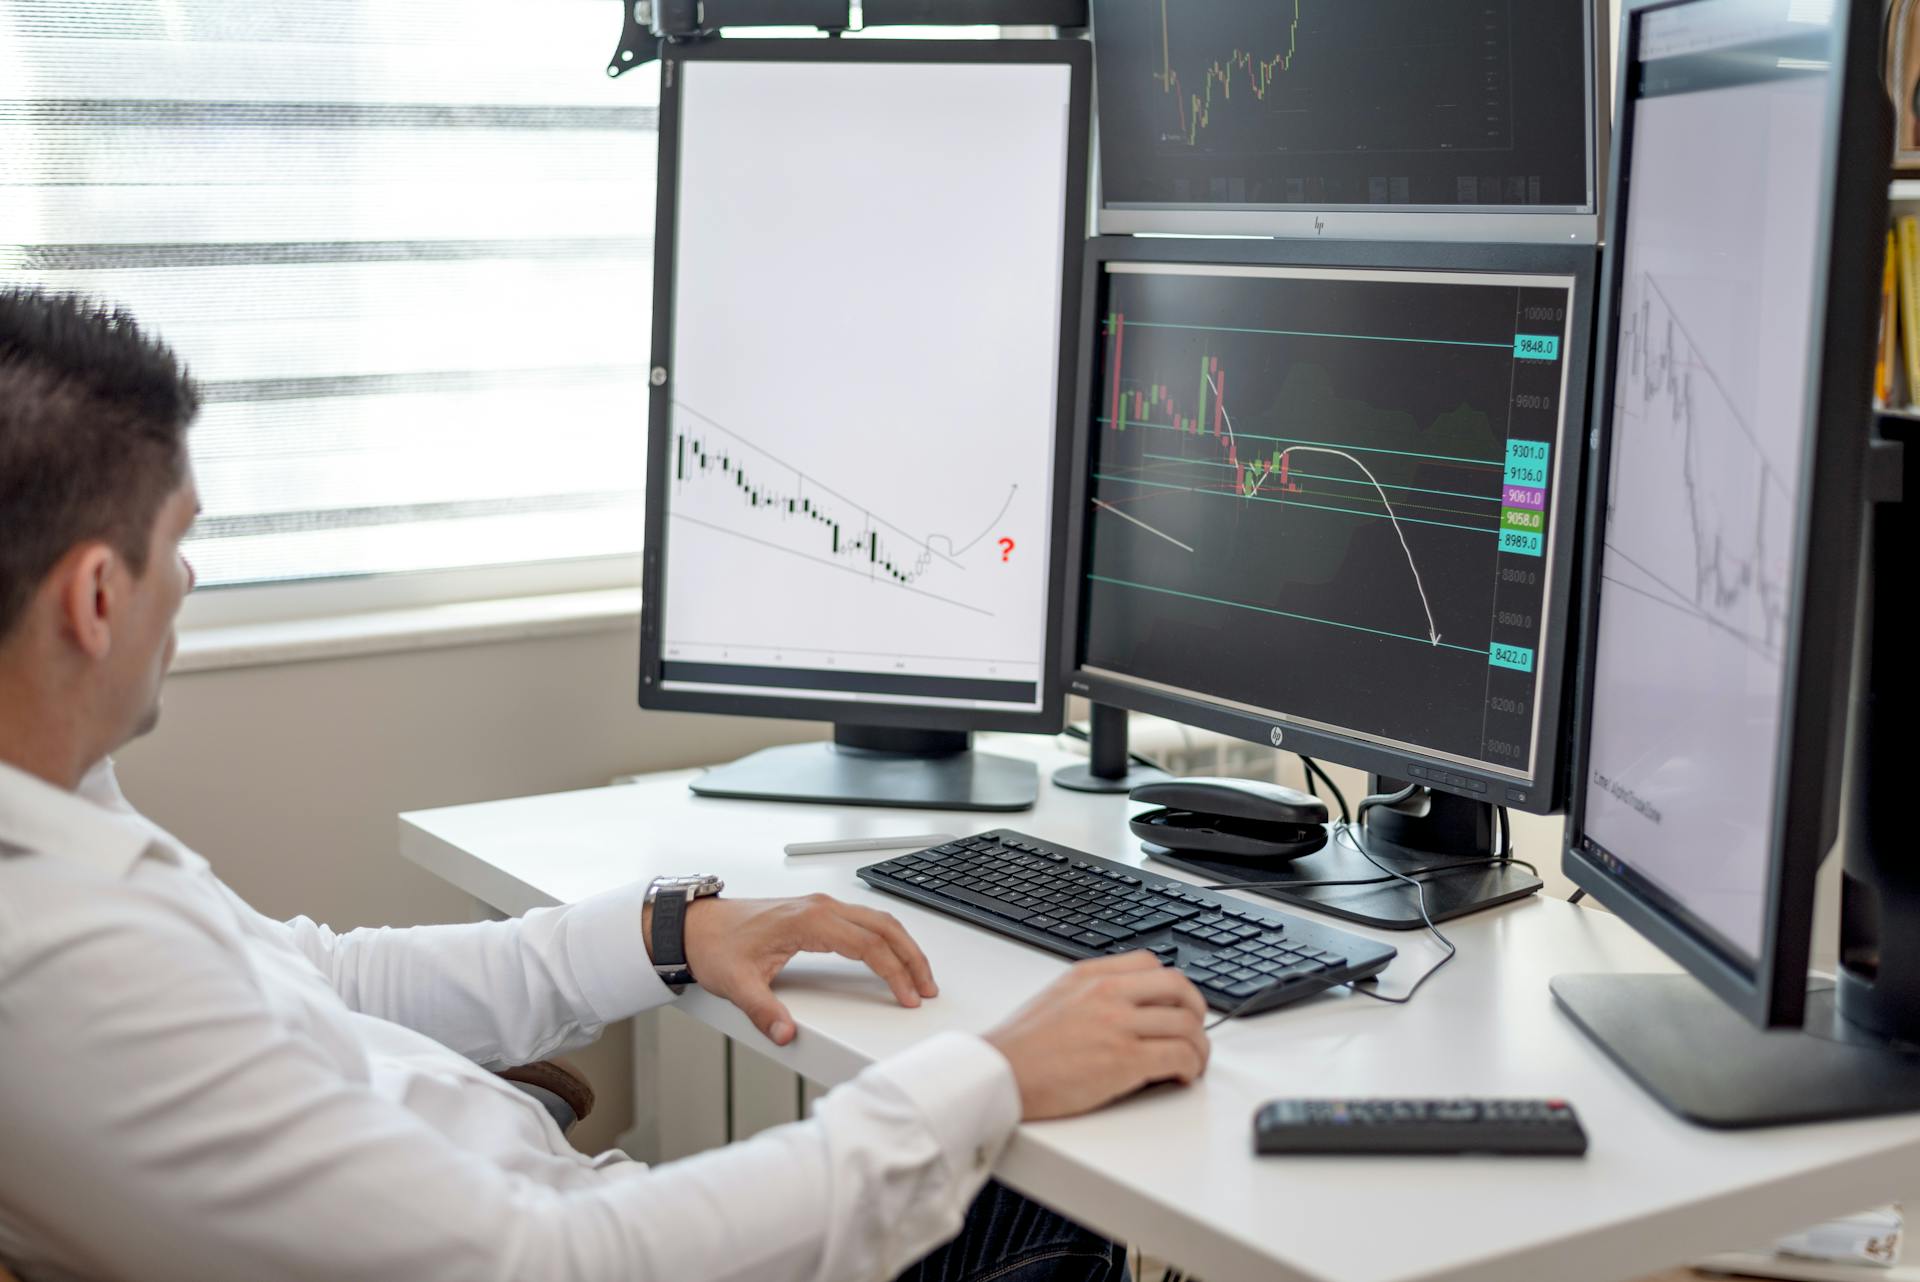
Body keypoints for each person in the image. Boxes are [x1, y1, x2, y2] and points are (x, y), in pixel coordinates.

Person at [0, 288, 1212, 1282]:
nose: (193, 578)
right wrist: (994, 1073)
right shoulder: (65, 967)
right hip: (592, 1242)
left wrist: (668, 932)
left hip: (583, 1209)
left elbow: (317, 975)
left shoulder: (62, 808)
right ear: (97, 598)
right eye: (178, 539)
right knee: (1101, 1153)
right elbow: (557, 1264)